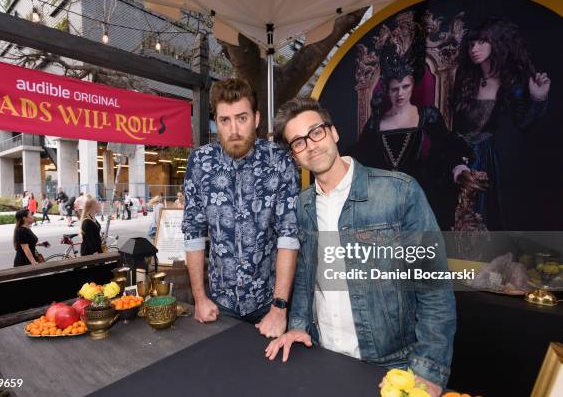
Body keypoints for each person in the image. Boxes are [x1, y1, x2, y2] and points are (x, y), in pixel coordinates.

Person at [266, 97, 456, 397]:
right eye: (298, 142)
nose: (311, 145)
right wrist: (299, 325)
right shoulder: (302, 206)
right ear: (294, 155)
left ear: (334, 132)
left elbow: (434, 290)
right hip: (323, 357)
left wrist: (428, 370)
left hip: (391, 367)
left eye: (316, 132)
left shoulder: (400, 193)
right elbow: (305, 277)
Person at [181, 78, 300, 337]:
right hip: (219, 304)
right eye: (225, 120)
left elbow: (288, 236)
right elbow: (193, 233)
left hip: (269, 303)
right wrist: (200, 299)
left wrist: (279, 308)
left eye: (242, 118)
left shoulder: (279, 161)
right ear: (216, 122)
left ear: (256, 119)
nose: (234, 129)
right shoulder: (200, 162)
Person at [347, 25, 472, 230]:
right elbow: (361, 159)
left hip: (422, 195)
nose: (400, 94)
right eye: (394, 89)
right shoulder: (375, 123)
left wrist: (459, 168)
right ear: (387, 91)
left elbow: (447, 149)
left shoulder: (428, 116)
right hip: (384, 200)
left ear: (413, 86)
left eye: (405, 87)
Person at [451, 18, 551, 230]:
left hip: (490, 161)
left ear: (496, 43)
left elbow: (524, 124)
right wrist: (456, 160)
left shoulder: (512, 81)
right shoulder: (466, 78)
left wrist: (537, 98)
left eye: (481, 42)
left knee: (489, 220)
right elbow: (455, 127)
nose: (474, 49)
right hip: (460, 155)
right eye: (470, 44)